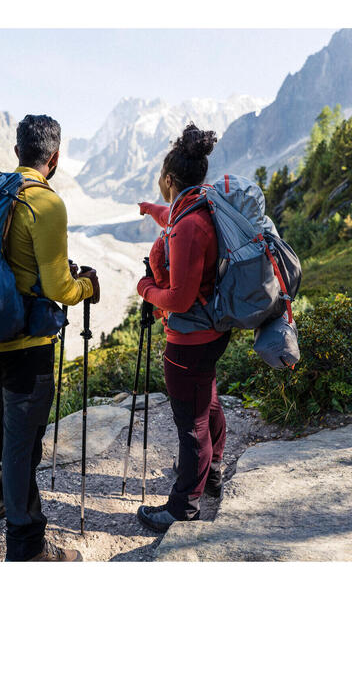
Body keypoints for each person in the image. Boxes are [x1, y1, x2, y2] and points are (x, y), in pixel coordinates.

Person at [0, 114, 100, 561]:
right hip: (26, 346)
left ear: (16, 152)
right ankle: (27, 551)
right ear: (56, 157)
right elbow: (58, 289)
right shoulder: (46, 204)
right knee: (22, 446)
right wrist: (87, 286)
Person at [135, 123, 230, 532]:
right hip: (211, 331)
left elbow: (179, 299)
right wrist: (150, 209)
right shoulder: (200, 204)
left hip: (189, 338)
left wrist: (146, 288)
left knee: (190, 424)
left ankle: (183, 507)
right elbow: (172, 216)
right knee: (205, 401)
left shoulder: (188, 226)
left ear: (169, 180)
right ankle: (213, 472)